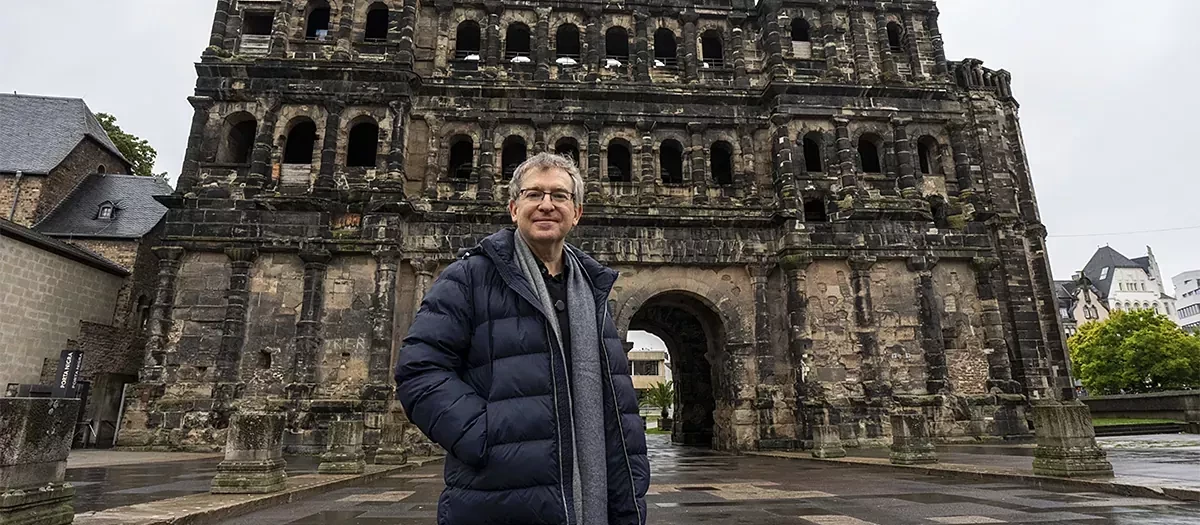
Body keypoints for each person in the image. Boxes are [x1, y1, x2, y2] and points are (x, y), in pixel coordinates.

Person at [395, 152, 650, 525]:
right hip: (498, 501)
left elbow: (616, 406)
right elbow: (419, 370)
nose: (546, 205)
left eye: (560, 196)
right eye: (534, 195)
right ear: (514, 208)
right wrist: (485, 435)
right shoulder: (467, 277)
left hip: (593, 504)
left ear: (576, 213)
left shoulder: (593, 292)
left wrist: (630, 491)